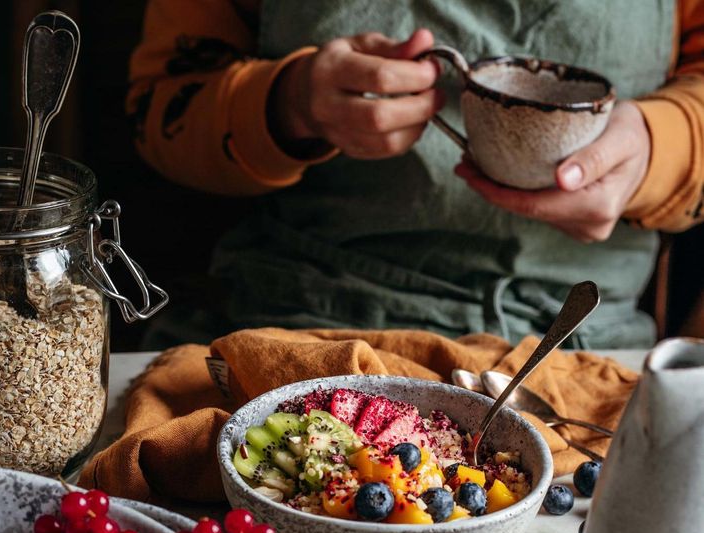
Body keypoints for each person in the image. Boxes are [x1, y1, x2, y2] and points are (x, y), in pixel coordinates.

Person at [128, 0, 704, 349]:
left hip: (579, 341)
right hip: (294, 318)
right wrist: (288, 104)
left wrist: (660, 148)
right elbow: (160, 107)